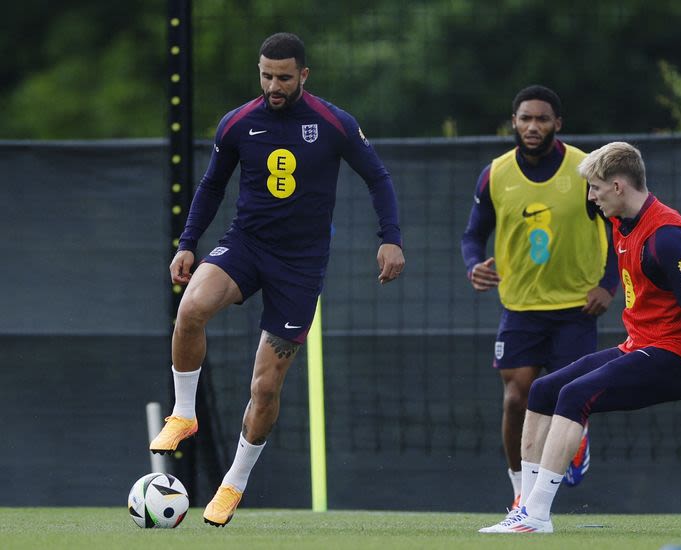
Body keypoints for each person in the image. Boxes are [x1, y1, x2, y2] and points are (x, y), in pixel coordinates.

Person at [148, 32, 405, 527]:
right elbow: (211, 185)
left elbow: (378, 177)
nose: (274, 85)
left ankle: (233, 484)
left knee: (264, 389)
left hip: (299, 266)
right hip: (245, 245)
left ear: (303, 76)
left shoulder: (333, 123)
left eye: (284, 77)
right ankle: (184, 413)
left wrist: (390, 237)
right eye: (266, 76)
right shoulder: (238, 123)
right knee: (190, 308)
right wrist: (186, 243)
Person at [479, 141, 681, 534]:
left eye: (595, 187)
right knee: (543, 390)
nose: (591, 197)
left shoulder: (667, 237)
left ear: (618, 187)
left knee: (575, 396)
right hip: (640, 345)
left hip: (677, 358)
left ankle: (537, 515)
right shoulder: (620, 220)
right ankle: (524, 507)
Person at [461, 85, 618, 513]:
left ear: (557, 124)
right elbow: (473, 235)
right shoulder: (496, 174)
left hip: (575, 309)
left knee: (570, 396)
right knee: (517, 398)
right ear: (514, 122)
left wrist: (609, 286)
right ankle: (519, 491)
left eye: (542, 119)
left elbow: (617, 226)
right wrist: (474, 264)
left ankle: (576, 439)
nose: (533, 127)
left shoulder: (585, 170)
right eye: (525, 118)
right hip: (521, 308)